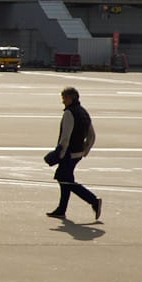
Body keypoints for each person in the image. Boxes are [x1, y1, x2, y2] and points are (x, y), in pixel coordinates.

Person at [43, 86, 101, 221]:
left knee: (66, 181)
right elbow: (91, 135)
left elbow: (65, 137)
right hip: (77, 153)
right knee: (65, 180)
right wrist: (85, 150)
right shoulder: (83, 112)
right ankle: (61, 209)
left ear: (71, 98)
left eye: (64, 98)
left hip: (68, 154)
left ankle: (93, 200)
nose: (63, 101)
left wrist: (60, 154)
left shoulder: (69, 113)